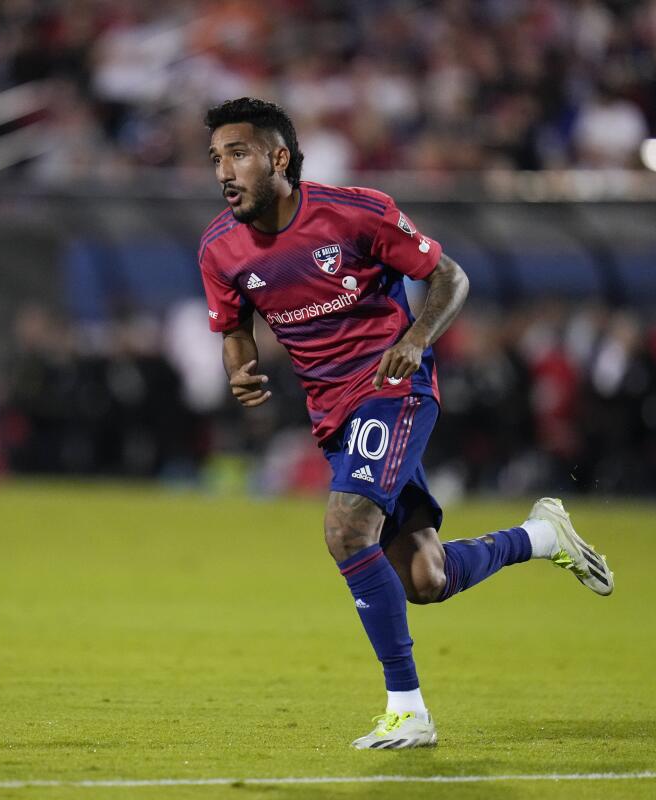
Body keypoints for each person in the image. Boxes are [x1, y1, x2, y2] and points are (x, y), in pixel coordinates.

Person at [198, 98, 614, 750]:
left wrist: (418, 338)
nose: (224, 169)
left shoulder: (356, 211)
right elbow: (233, 329)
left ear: (279, 157)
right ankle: (541, 536)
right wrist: (241, 367)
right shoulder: (220, 248)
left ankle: (408, 710)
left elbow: (450, 278)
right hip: (333, 417)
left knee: (346, 527)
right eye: (216, 157)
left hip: (395, 391)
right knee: (425, 578)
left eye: (238, 152)